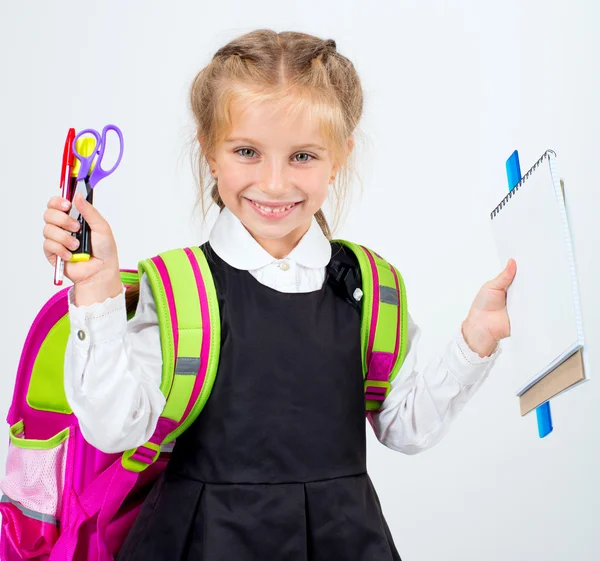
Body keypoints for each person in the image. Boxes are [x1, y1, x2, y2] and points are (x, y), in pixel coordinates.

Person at [42, 29, 516, 561]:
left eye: (303, 156)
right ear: (209, 152)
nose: (273, 183)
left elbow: (404, 428)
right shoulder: (181, 288)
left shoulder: (371, 287)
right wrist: (97, 289)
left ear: (339, 157)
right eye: (247, 151)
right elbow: (113, 428)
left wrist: (474, 342)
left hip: (344, 540)